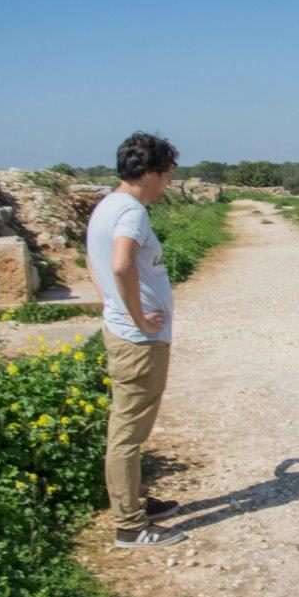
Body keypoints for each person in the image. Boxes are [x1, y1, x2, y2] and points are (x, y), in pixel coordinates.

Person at [86, 132, 187, 548]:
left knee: (132, 426)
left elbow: (96, 263)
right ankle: (129, 524)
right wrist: (139, 319)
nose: (167, 184)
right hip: (138, 341)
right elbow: (121, 263)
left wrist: (109, 302)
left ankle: (136, 501)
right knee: (128, 431)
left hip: (125, 331)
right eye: (165, 175)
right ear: (148, 173)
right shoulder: (132, 213)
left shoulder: (107, 206)